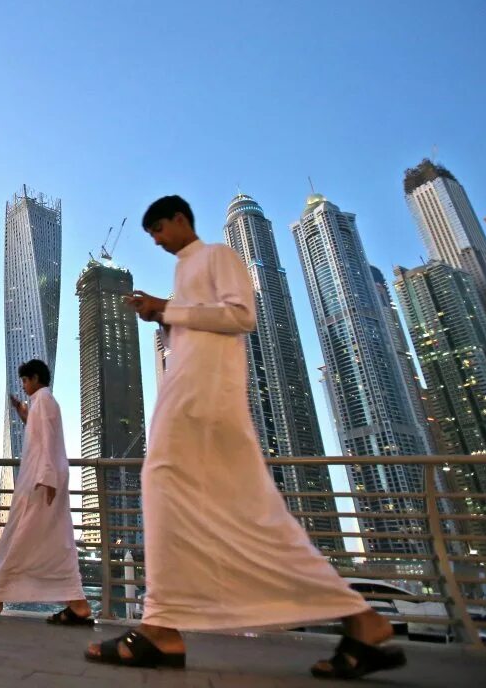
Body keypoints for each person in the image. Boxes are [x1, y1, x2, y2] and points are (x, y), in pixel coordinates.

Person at [84, 195, 403, 680]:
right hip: (187, 401)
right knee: (230, 509)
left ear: (179, 220)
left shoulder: (218, 256)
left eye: (158, 230)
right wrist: (163, 314)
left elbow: (240, 316)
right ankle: (359, 620)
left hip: (208, 405)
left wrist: (170, 309)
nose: (155, 239)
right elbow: (197, 330)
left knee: (203, 498)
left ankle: (162, 628)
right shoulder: (184, 274)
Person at [0, 359, 93, 627]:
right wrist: (22, 411)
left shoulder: (42, 400)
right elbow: (42, 433)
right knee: (53, 542)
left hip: (41, 482)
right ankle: (78, 605)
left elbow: (47, 440)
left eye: (25, 381)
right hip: (46, 479)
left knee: (18, 537)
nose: (24, 385)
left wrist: (48, 477)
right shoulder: (45, 402)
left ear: (34, 378)